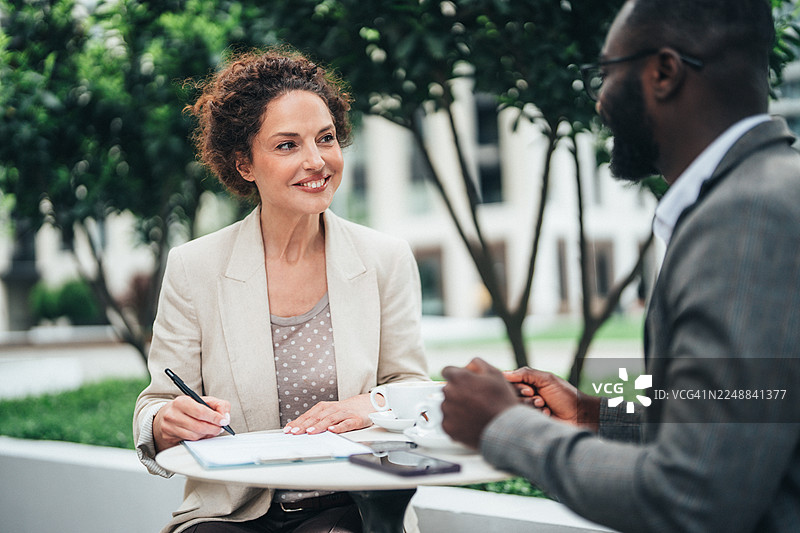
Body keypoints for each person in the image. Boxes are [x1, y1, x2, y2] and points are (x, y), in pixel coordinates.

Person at [440, 1, 800, 531]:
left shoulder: (747, 217)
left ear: (663, 72)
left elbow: (692, 498)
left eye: (605, 75)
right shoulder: (760, 194)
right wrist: (594, 416)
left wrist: (506, 427)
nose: (601, 101)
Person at [133, 49, 429, 533]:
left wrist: (366, 405)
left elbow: (413, 390)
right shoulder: (194, 269)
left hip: (348, 505)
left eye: (326, 139)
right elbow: (156, 404)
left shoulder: (384, 259)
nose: (316, 161)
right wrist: (167, 423)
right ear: (244, 164)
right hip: (231, 514)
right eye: (287, 145)